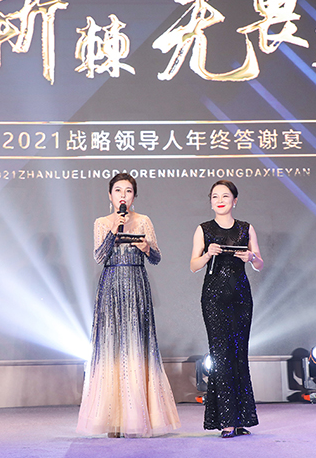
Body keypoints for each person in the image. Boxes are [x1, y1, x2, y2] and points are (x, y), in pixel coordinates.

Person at [77, 173, 180, 438]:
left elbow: (156, 258)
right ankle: (112, 420)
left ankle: (137, 418)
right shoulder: (102, 222)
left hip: (136, 284)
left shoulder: (144, 221)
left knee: (136, 346)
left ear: (134, 196)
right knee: (111, 347)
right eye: (118, 191)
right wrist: (114, 230)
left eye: (128, 191)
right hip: (111, 286)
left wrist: (147, 248)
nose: (123, 196)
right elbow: (99, 256)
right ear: (110, 195)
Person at [189, 180, 264, 438]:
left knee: (239, 354)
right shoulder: (204, 229)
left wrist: (251, 257)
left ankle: (241, 419)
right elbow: (193, 265)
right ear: (210, 202)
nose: (220, 200)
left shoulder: (246, 228)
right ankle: (226, 421)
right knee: (220, 356)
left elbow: (259, 263)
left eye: (225, 196)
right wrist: (207, 254)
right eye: (215, 196)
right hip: (214, 298)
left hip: (241, 297)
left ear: (235, 200)